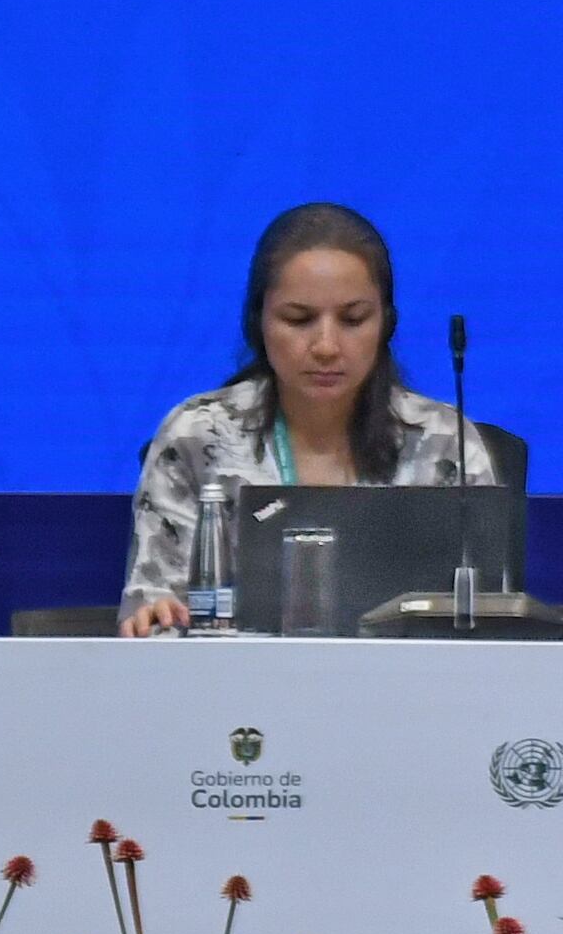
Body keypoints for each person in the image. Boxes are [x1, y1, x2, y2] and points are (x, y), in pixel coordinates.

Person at [118, 201, 496, 634]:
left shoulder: (444, 442)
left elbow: (484, 627)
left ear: (386, 324)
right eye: (299, 320)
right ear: (258, 322)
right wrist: (154, 619)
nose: (326, 346)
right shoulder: (198, 435)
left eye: (353, 319)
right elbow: (152, 616)